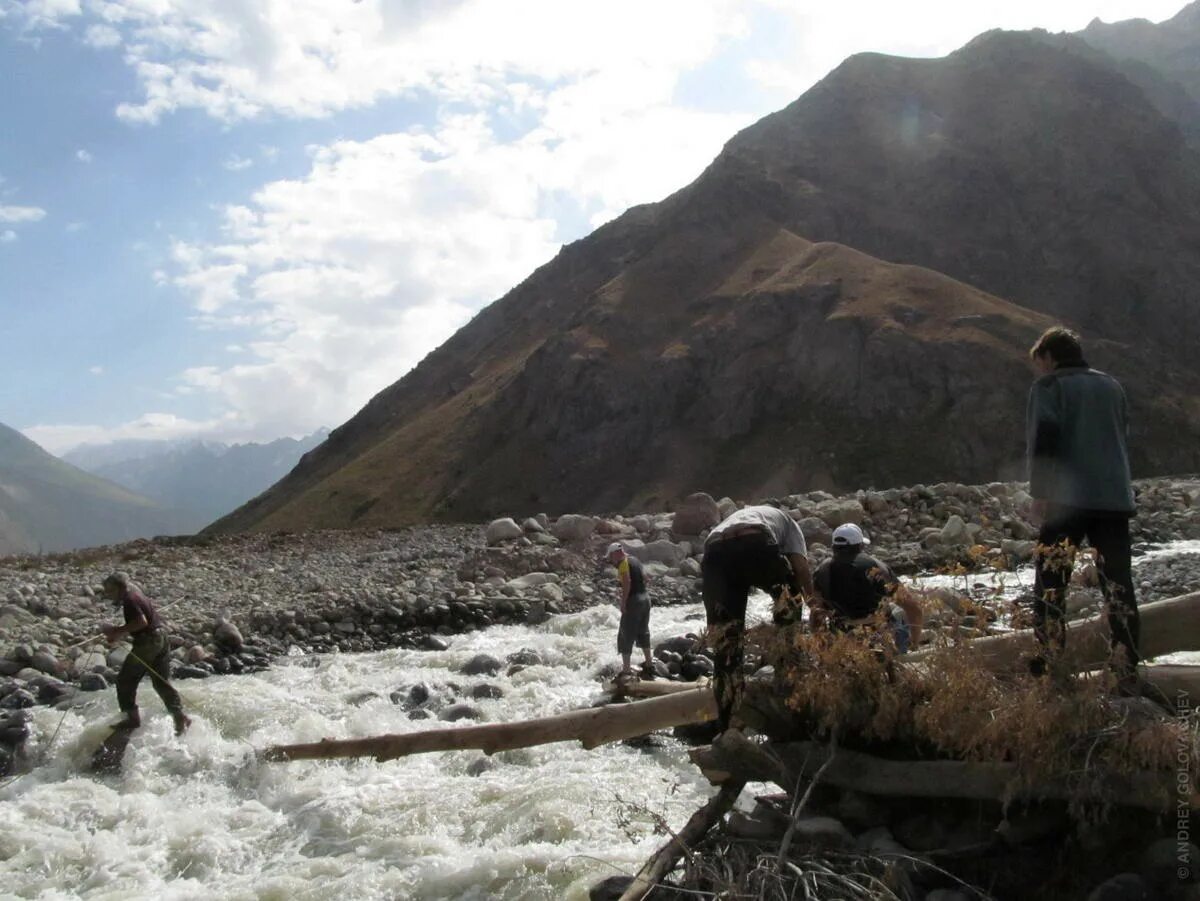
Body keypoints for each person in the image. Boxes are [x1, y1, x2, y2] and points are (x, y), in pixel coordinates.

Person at [1025, 325, 1139, 681]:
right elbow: (1121, 434)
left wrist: (1040, 493)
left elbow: (1046, 438)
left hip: (1068, 500)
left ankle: (1050, 664)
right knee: (1118, 584)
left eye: (1039, 362)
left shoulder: (1050, 387)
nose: (1039, 369)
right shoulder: (1112, 386)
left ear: (1048, 356)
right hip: (1114, 498)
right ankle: (1126, 666)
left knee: (1050, 582)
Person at [701, 504, 814, 730]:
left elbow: (712, 566)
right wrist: (816, 607)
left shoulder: (737, 518)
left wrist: (714, 621)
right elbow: (801, 569)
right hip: (754, 542)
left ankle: (729, 722)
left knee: (726, 642)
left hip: (715, 553)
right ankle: (788, 684)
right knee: (789, 602)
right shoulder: (790, 525)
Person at [100, 572, 191, 734]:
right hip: (161, 638)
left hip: (148, 642)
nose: (108, 594)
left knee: (125, 680)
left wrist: (116, 631)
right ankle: (180, 717)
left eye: (110, 590)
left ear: (119, 587)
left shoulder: (129, 600)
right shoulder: (137, 595)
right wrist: (118, 632)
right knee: (160, 681)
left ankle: (132, 719)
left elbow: (141, 622)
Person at [810, 523, 923, 652]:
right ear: (860, 546)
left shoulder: (822, 571)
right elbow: (914, 609)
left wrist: (822, 649)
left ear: (833, 547)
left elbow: (816, 614)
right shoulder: (877, 567)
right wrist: (914, 644)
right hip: (880, 638)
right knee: (900, 617)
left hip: (842, 641)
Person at [605, 543, 654, 677]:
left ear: (616, 553)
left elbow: (627, 582)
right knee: (643, 631)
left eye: (610, 557)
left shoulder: (623, 563)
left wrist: (623, 601)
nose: (611, 561)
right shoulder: (635, 560)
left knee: (626, 634)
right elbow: (646, 578)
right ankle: (649, 664)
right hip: (645, 599)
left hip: (635, 601)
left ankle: (626, 670)